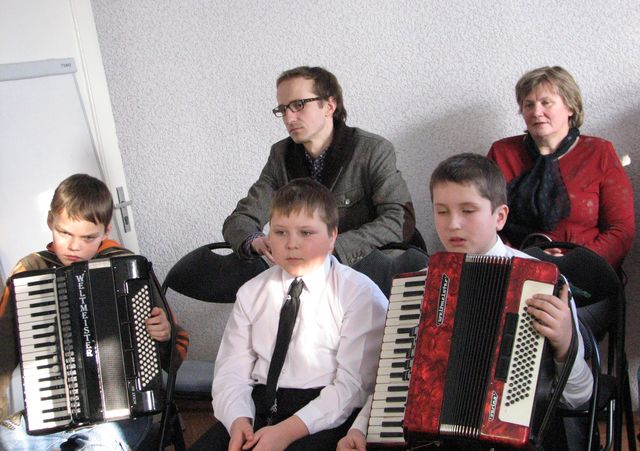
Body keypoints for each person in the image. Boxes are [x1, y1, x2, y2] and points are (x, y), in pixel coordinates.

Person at [337, 153, 593, 451]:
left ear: (500, 216)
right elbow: (395, 376)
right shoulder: (418, 287)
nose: (453, 224)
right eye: (442, 211)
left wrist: (565, 344)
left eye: (468, 211)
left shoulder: (543, 284)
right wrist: (360, 428)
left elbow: (580, 396)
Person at [195, 178, 388, 450]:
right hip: (258, 407)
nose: (291, 244)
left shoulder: (358, 294)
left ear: (332, 237)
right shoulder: (252, 292)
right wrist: (238, 420)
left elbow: (353, 386)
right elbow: (231, 372)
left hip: (325, 413)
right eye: (280, 232)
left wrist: (285, 433)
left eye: (306, 233)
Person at [0, 174, 189, 450]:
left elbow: (175, 356)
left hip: (124, 413)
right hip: (52, 409)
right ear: (50, 221)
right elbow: (3, 354)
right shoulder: (31, 271)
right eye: (65, 233)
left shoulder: (128, 269)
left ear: (106, 230)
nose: (74, 246)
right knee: (7, 438)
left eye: (88, 237)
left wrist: (166, 334)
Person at [222, 66, 418, 280]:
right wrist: (255, 240)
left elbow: (400, 220)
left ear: (329, 106)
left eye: (298, 105)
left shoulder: (372, 150)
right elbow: (240, 218)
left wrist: (330, 248)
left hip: (367, 273)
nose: (288, 118)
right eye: (283, 109)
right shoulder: (280, 155)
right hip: (308, 279)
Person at [487, 66, 634, 270]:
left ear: (570, 107)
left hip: (583, 273)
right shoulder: (501, 152)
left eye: (546, 102)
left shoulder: (599, 152)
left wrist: (570, 263)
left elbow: (621, 230)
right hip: (514, 270)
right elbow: (484, 221)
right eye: (528, 105)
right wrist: (525, 260)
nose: (536, 112)